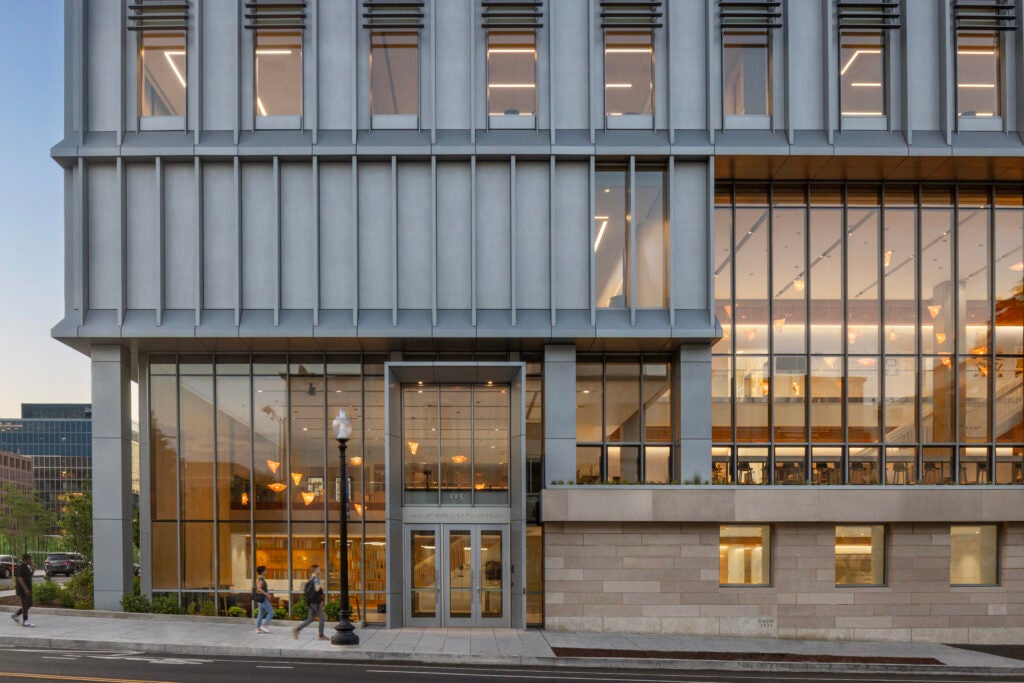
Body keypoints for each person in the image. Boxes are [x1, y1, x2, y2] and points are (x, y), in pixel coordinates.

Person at [292, 564, 326, 641]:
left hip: (310, 602)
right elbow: (317, 589)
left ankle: (297, 629)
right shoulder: (316, 579)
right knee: (322, 618)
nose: (320, 571)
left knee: (310, 618)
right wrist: (321, 587)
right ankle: (321, 635)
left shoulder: (310, 579)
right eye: (319, 569)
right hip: (316, 602)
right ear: (316, 570)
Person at [11, 554, 34, 627]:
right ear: (25, 559)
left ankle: (16, 615)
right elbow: (20, 579)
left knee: (29, 604)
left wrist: (34, 568)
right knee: (25, 604)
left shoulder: (26, 567)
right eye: (29, 559)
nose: (31, 561)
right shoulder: (21, 567)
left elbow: (30, 575)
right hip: (23, 590)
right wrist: (25, 589)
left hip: (27, 589)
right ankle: (25, 622)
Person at [253, 565, 273, 634]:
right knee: (271, 612)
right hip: (262, 599)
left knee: (260, 614)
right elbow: (258, 588)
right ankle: (264, 626)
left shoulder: (259, 578)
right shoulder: (261, 579)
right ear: (262, 571)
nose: (266, 571)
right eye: (265, 570)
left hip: (260, 599)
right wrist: (266, 594)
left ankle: (258, 628)